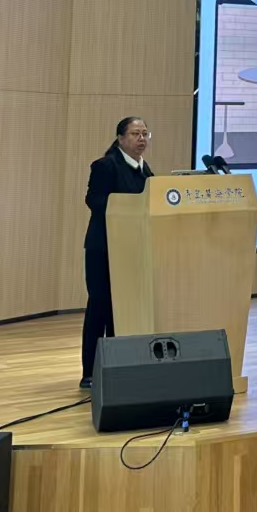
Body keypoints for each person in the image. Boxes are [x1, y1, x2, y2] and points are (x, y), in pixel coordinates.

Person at [80, 116, 153, 388]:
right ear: (121, 138)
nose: (141, 139)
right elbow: (94, 200)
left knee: (123, 309)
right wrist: (125, 208)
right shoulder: (106, 165)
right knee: (100, 307)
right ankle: (90, 371)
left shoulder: (145, 170)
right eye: (135, 134)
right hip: (103, 248)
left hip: (131, 249)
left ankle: (117, 364)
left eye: (145, 134)